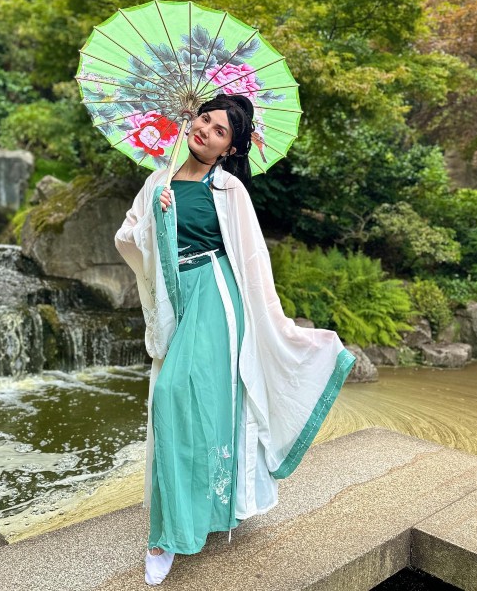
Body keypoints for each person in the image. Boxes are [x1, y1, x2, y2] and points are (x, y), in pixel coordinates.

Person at [114, 94, 356, 586]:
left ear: (227, 149)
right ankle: (198, 513)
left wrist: (278, 327)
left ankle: (165, 538)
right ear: (191, 120)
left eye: (220, 131)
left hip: (218, 298)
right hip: (176, 303)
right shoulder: (155, 181)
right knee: (186, 406)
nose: (206, 130)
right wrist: (157, 220)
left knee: (173, 395)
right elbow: (128, 240)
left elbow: (251, 263)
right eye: (204, 119)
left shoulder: (228, 190)